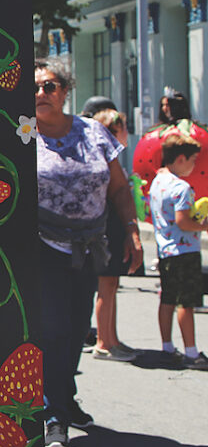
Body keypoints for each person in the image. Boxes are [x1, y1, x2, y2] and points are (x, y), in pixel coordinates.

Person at [33, 59, 143, 447]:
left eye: (50, 86)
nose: (42, 93)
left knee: (76, 328)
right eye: (36, 87)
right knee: (52, 329)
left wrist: (131, 228)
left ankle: (65, 397)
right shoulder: (23, 133)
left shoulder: (93, 132)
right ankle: (53, 417)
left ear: (65, 91)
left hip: (88, 246)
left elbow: (118, 187)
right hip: (42, 247)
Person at [148, 133, 208, 370]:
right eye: (193, 160)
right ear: (181, 158)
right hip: (185, 251)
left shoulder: (157, 183)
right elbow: (184, 222)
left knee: (168, 299)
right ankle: (192, 353)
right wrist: (202, 225)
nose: (194, 165)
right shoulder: (181, 187)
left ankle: (167, 347)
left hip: (165, 250)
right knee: (187, 302)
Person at [87, 107, 139, 361]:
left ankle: (112, 337)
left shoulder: (112, 159)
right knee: (106, 284)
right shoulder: (101, 159)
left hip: (114, 227)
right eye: (121, 128)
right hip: (107, 228)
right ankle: (104, 342)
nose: (125, 132)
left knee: (111, 284)